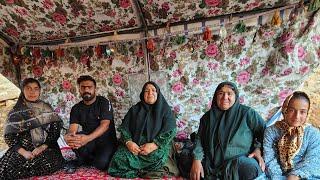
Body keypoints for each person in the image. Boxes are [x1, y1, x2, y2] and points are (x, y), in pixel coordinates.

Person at [190, 81, 266, 180]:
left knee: (252, 168)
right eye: (221, 93)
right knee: (185, 160)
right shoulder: (207, 117)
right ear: (216, 96)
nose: (225, 97)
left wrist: (258, 149)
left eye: (229, 93)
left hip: (237, 161)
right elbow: (199, 139)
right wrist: (197, 160)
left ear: (236, 96)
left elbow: (264, 132)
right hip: (211, 162)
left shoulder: (247, 114)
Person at [108, 81, 178, 178]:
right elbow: (125, 129)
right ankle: (142, 172)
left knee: (156, 157)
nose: (150, 93)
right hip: (135, 145)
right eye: (146, 91)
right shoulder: (134, 109)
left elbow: (170, 131)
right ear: (142, 94)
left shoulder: (165, 110)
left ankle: (142, 170)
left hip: (156, 145)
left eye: (153, 90)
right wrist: (129, 143)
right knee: (119, 158)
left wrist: (154, 145)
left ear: (158, 93)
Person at [0, 78, 64, 179]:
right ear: (22, 90)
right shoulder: (15, 112)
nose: (32, 92)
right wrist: (24, 152)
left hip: (45, 147)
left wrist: (42, 147)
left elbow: (55, 131)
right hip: (22, 149)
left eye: (35, 88)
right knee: (10, 168)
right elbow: (9, 137)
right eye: (28, 88)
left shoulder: (46, 107)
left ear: (39, 91)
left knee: (50, 163)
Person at [64, 75, 117, 171]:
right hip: (89, 141)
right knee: (74, 138)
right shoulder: (76, 108)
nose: (86, 90)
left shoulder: (103, 102)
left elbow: (105, 125)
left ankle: (89, 158)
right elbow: (73, 129)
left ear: (95, 89)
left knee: (101, 165)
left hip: (106, 141)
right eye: (83, 87)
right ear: (79, 89)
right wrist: (69, 137)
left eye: (89, 87)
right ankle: (87, 158)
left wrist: (87, 139)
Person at [264, 91, 320, 179]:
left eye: (302, 112)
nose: (296, 116)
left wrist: (295, 175)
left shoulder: (313, 134)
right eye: (292, 110)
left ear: (307, 113)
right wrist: (278, 178)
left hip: (304, 175)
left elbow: (313, 160)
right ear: (285, 110)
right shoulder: (271, 131)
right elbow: (270, 159)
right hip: (275, 175)